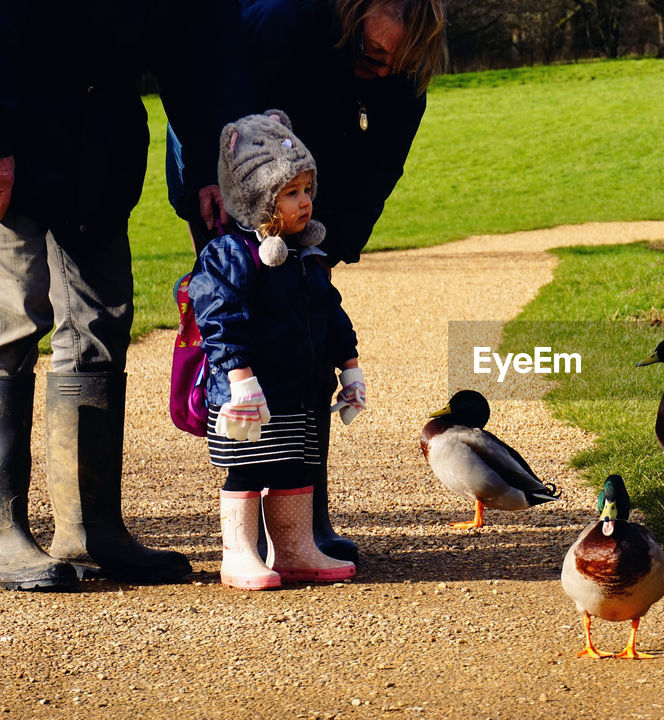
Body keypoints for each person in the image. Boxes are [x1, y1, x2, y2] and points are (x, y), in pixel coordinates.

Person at [167, 0, 446, 562]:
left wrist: (330, 247)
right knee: (245, 340)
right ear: (358, 10)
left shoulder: (407, 66)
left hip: (310, 201)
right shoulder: (283, 21)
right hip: (230, 184)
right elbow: (211, 94)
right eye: (374, 55)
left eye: (398, 63)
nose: (385, 69)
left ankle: (303, 517)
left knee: (309, 339)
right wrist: (207, 180)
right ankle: (247, 518)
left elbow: (380, 170)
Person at [0, 1, 243, 591]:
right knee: (11, 321)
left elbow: (195, 52)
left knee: (101, 322)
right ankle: (2, 528)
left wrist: (213, 162)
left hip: (100, 149)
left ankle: (90, 526)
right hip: (16, 134)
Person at [188, 111, 365, 590]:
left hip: (296, 389)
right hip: (248, 394)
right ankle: (240, 553)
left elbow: (331, 314)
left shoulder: (305, 255)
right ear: (256, 198)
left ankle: (294, 548)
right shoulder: (231, 254)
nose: (305, 201)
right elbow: (220, 319)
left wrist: (349, 367)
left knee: (294, 465)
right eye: (291, 193)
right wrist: (238, 377)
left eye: (308, 189)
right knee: (246, 470)